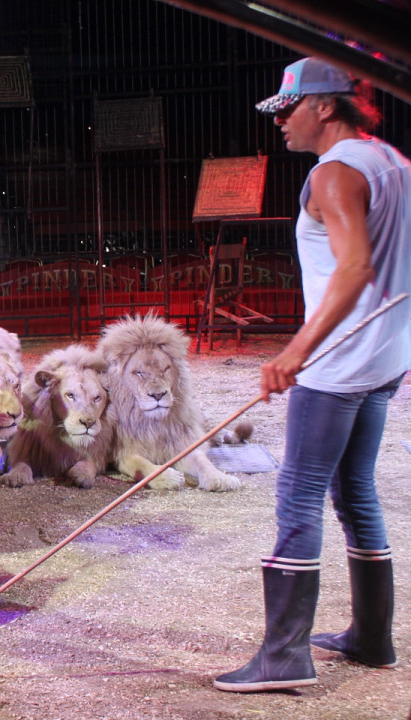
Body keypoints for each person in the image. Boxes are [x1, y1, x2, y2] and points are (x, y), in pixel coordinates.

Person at [214, 56, 411, 693]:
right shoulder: (394, 162)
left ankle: (283, 657)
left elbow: (353, 268)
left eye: (288, 108)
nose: (280, 122)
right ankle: (372, 638)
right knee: (355, 491)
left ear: (324, 106)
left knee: (299, 493)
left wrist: (295, 351)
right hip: (384, 359)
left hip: (338, 367)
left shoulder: (334, 172)